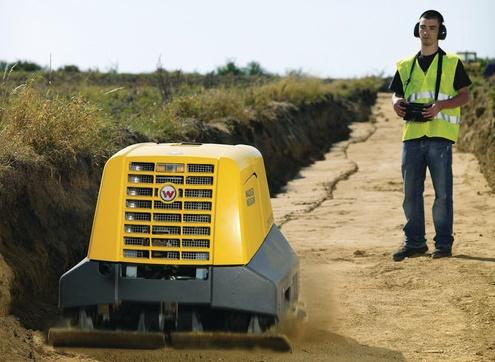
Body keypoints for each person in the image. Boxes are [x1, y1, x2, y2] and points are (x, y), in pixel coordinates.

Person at [389, 9, 471, 261]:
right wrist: (396, 103)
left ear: (440, 32)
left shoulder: (452, 63)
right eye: (423, 27)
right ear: (417, 29)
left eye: (432, 28)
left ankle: (443, 245)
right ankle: (415, 242)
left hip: (440, 138)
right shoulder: (405, 66)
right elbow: (396, 93)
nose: (426, 32)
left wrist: (439, 107)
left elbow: (465, 96)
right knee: (410, 193)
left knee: (442, 194)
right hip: (412, 136)